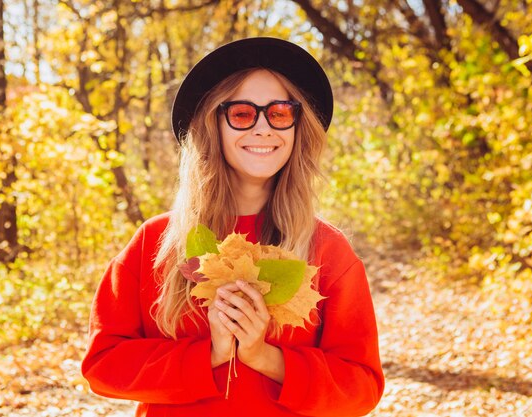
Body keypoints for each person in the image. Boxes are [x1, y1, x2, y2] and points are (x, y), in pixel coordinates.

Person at [81, 37, 385, 416]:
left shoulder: (327, 248)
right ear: (214, 123)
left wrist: (263, 356)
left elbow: (362, 387)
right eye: (242, 113)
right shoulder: (156, 242)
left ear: (296, 126)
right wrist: (209, 354)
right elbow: (103, 365)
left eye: (279, 113)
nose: (262, 128)